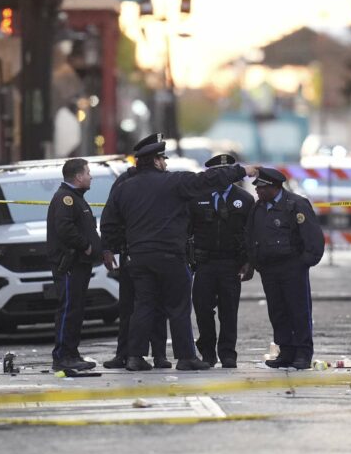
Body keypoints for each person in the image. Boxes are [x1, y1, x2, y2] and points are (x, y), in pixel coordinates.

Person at [101, 140, 258, 371]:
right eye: (163, 159)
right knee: (178, 307)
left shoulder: (125, 187)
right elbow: (207, 180)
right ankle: (186, 357)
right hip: (170, 256)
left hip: (139, 257)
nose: (165, 163)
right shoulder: (174, 182)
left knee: (143, 306)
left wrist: (108, 248)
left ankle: (134, 356)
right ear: (155, 161)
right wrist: (242, 170)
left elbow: (110, 220)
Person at [102, 133, 170, 369]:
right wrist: (109, 248)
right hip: (130, 252)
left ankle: (159, 354)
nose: (164, 163)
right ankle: (125, 353)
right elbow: (110, 218)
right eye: (161, 158)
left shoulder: (165, 180)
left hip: (149, 252)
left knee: (157, 306)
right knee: (129, 307)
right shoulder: (124, 182)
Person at [245, 167, 324, 370]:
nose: (258, 191)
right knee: (278, 311)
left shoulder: (296, 204)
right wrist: (255, 262)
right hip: (269, 269)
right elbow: (251, 235)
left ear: (275, 187)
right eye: (257, 188)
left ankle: (303, 353)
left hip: (292, 267)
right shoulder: (258, 208)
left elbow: (313, 237)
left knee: (298, 311)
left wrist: (303, 262)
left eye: (262, 188)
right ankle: (286, 351)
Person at [188, 154, 255, 368]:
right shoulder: (197, 197)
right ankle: (207, 352)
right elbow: (187, 230)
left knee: (229, 310)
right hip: (204, 262)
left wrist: (249, 262)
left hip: (230, 263)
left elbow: (250, 234)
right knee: (202, 309)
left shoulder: (244, 199)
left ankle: (228, 353)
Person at [46, 158, 102, 371]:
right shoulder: (66, 198)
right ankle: (62, 356)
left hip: (80, 264)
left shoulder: (75, 197)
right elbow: (65, 228)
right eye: (88, 172)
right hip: (70, 264)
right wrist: (86, 245)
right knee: (69, 309)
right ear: (78, 176)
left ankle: (72, 353)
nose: (91, 176)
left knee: (76, 310)